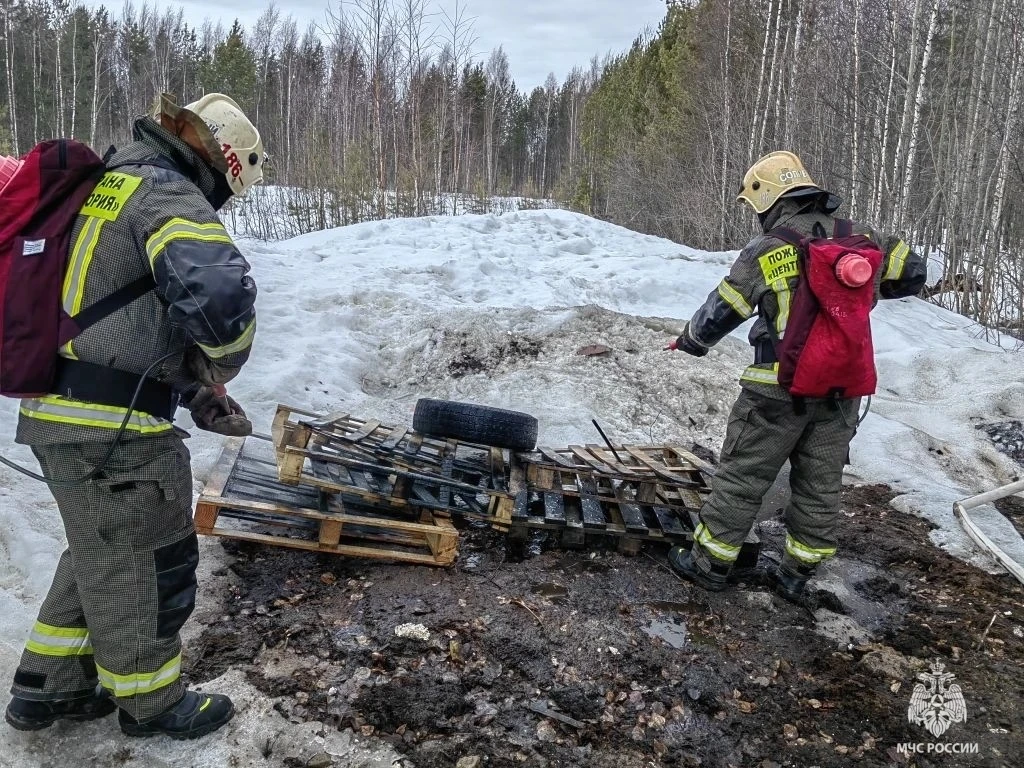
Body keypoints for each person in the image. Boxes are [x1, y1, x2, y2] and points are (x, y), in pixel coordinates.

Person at [4, 93, 264, 739]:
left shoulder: (106, 186)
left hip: (62, 415)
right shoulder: (166, 195)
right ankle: (152, 702)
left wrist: (194, 391)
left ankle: (49, 686)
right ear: (222, 164)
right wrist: (223, 364)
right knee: (152, 559)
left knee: (103, 549)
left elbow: (110, 323)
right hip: (115, 434)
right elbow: (222, 298)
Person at [667, 150, 926, 602]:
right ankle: (795, 576)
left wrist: (691, 341)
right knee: (820, 483)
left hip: (776, 391)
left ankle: (709, 564)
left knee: (743, 475)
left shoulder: (768, 249)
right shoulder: (865, 238)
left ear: (769, 199)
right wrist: (866, 288)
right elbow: (914, 274)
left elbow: (721, 310)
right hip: (841, 391)